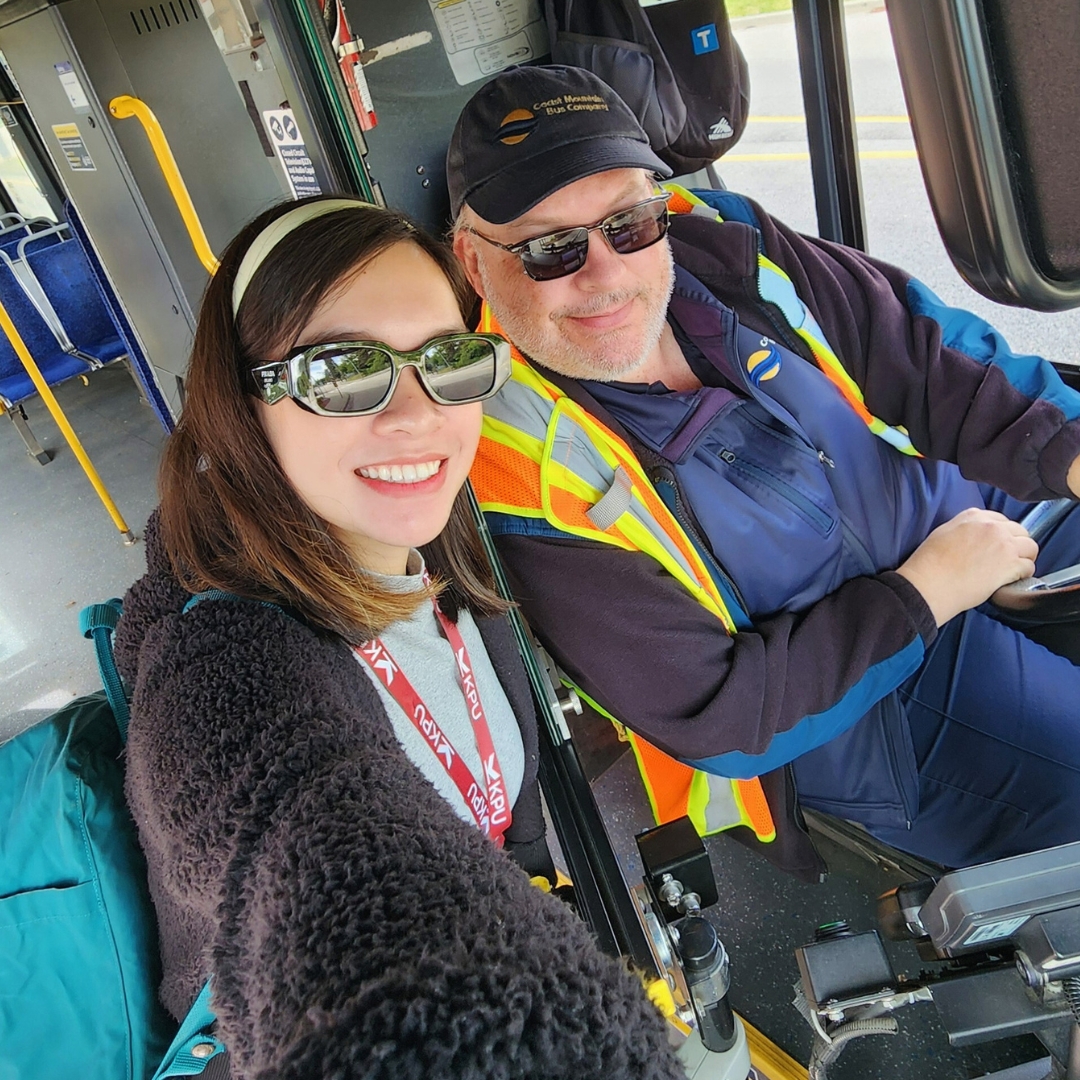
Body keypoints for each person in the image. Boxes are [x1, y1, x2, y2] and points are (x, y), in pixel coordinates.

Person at [447, 64, 1080, 880]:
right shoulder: (515, 471)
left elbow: (919, 352)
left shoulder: (721, 244)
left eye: (629, 223)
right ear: (474, 263)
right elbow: (721, 713)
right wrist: (925, 592)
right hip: (871, 701)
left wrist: (1063, 446)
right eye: (550, 248)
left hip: (973, 516)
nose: (605, 274)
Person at [113, 196, 685, 1079]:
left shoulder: (439, 551)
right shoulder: (218, 671)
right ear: (242, 404)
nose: (417, 415)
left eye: (449, 360)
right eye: (343, 372)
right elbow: (311, 855)